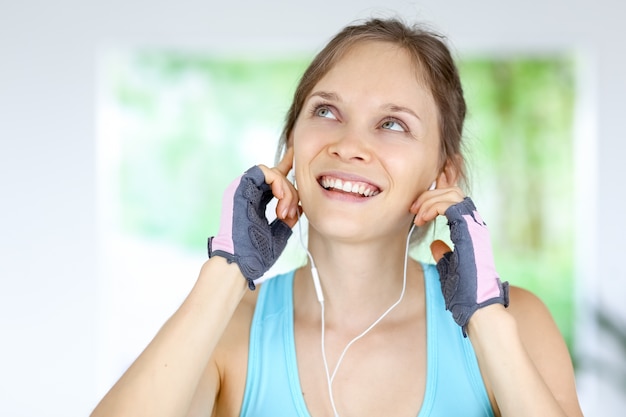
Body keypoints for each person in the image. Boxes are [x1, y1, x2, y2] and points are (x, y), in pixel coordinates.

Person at [91, 17, 584, 417]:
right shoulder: (227, 331)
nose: (349, 145)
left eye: (392, 124)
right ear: (291, 146)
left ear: (442, 174)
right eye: (326, 112)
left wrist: (485, 323)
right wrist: (224, 274)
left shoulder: (514, 322)